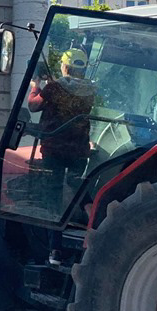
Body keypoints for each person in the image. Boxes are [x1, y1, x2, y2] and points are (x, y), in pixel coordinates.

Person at [27, 48, 97, 210]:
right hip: (79, 150)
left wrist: (35, 86)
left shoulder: (54, 88)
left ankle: (54, 232)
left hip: (55, 149)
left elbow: (33, 105)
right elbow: (71, 96)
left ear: (65, 67)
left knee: (53, 193)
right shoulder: (90, 91)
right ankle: (93, 220)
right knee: (79, 189)